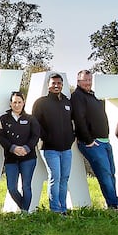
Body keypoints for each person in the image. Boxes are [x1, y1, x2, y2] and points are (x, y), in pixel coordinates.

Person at [70, 70, 118, 209]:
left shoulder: (92, 95)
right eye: (84, 80)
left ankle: (114, 203)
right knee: (105, 175)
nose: (88, 82)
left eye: (89, 80)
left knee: (111, 173)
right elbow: (79, 120)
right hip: (93, 143)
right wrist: (89, 140)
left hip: (105, 142)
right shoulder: (77, 96)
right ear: (78, 81)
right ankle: (115, 206)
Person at [33, 73, 75, 213]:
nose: (56, 85)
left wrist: (71, 137)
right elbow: (35, 125)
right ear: (48, 85)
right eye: (53, 83)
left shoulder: (67, 102)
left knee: (64, 178)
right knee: (55, 177)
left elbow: (73, 122)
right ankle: (55, 210)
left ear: (62, 85)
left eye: (59, 83)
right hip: (49, 148)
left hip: (66, 149)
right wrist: (47, 138)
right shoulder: (41, 103)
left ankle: (63, 209)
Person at [0, 91, 41, 213]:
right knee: (11, 188)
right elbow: (0, 137)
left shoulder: (31, 119)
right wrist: (13, 148)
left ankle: (25, 213)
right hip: (11, 158)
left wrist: (26, 148)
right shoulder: (4, 119)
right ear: (10, 103)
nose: (17, 105)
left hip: (28, 157)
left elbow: (35, 136)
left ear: (24, 103)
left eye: (19, 102)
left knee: (26, 186)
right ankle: (24, 209)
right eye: (14, 102)